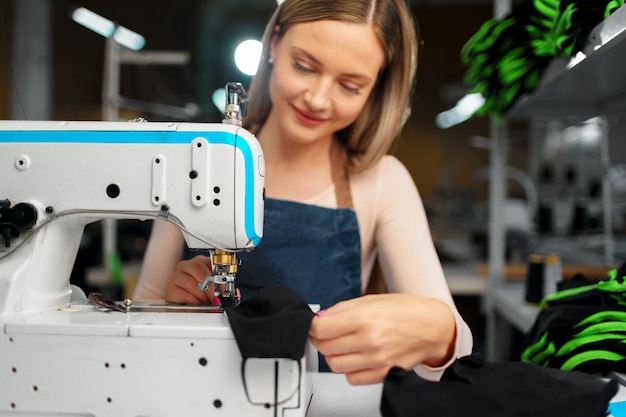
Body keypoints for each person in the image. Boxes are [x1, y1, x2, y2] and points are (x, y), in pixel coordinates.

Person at [133, 0, 473, 386]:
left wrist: (440, 332)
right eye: (305, 67)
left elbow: (456, 358)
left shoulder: (382, 182)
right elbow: (142, 309)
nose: (317, 98)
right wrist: (170, 305)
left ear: (376, 87)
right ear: (274, 44)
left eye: (350, 85)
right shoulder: (200, 158)